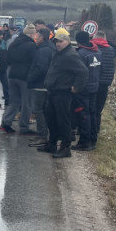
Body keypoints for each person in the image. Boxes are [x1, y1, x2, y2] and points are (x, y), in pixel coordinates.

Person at [39, 30, 88, 159]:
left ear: (67, 42)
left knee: (63, 120)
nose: (58, 44)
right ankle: (52, 144)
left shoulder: (70, 55)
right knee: (51, 119)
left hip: (63, 92)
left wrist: (76, 87)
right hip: (53, 91)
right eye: (56, 41)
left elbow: (83, 72)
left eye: (61, 41)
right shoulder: (58, 53)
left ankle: (66, 148)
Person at [0, 23, 38, 134]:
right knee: (27, 103)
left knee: (14, 101)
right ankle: (24, 127)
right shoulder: (31, 46)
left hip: (12, 75)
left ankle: (6, 123)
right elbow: (34, 62)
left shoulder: (13, 43)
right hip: (25, 78)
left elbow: (9, 59)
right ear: (31, 34)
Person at [26, 26, 55, 146]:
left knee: (39, 110)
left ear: (42, 37)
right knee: (41, 110)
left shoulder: (44, 50)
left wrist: (31, 79)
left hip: (40, 85)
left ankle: (42, 136)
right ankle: (42, 134)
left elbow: (41, 68)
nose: (35, 37)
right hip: (45, 84)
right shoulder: (49, 47)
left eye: (37, 35)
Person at [73, 30, 101, 151]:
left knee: (83, 114)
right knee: (92, 113)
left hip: (83, 88)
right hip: (95, 87)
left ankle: (85, 141)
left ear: (78, 41)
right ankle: (93, 139)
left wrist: (75, 86)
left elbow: (78, 73)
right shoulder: (98, 51)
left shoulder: (80, 54)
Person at [91, 31, 116, 147]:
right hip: (105, 84)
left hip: (93, 82)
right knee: (98, 109)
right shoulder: (111, 50)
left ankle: (88, 130)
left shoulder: (92, 48)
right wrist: (106, 40)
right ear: (104, 39)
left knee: (90, 108)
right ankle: (96, 130)